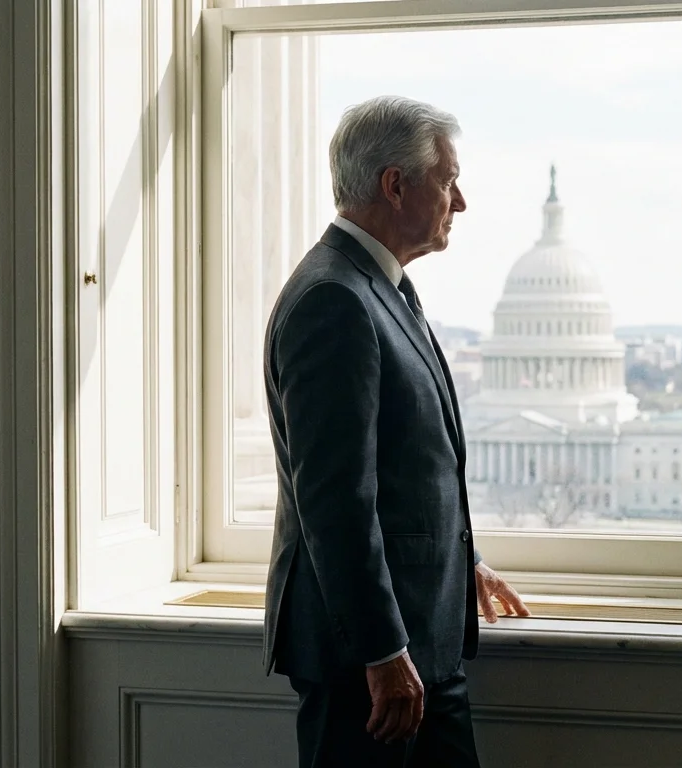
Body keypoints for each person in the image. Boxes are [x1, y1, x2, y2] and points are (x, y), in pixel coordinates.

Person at [261, 95, 531, 767]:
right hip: (372, 666)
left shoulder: (381, 287)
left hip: (417, 646)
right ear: (395, 183)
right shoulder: (335, 299)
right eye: (448, 179)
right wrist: (382, 652)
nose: (460, 201)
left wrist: (460, 561)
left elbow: (403, 470)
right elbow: (336, 500)